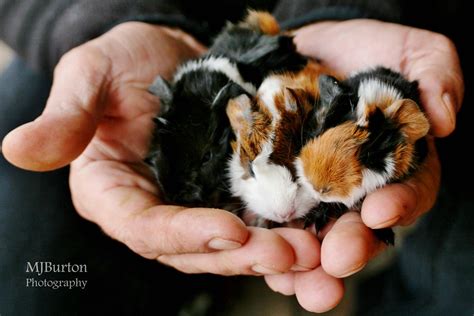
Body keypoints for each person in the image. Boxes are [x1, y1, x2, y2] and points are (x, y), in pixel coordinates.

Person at [0, 0, 471, 314]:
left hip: (393, 13)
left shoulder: (333, 106)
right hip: (125, 20)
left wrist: (345, 8)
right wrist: (97, 23)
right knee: (27, 277)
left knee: (458, 279)